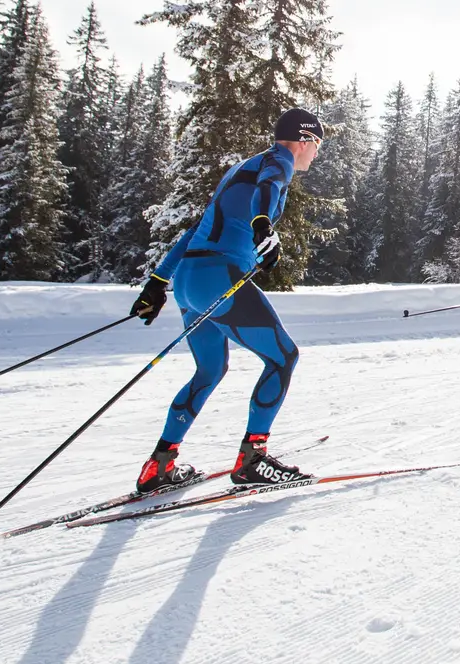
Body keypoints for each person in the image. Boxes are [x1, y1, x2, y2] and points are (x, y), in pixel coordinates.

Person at [127, 108, 326, 494]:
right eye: (317, 146)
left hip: (189, 280)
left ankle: (159, 467)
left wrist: (157, 282)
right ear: (304, 141)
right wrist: (263, 225)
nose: (315, 155)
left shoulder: (241, 169)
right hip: (220, 278)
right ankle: (253, 459)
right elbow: (270, 188)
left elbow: (196, 229)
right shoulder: (277, 162)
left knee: (210, 369)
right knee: (283, 357)